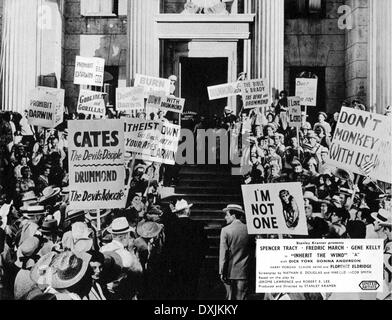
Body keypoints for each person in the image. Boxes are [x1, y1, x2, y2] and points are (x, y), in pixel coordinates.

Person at [165, 199, 208, 300]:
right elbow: (205, 246)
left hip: (176, 265)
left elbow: (167, 248)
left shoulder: (170, 227)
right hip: (193, 264)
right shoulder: (198, 226)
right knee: (192, 289)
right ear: (187, 211)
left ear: (177, 213)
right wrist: (199, 260)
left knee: (177, 290)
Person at [219, 204, 252, 300]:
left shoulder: (225, 230)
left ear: (233, 216)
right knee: (242, 297)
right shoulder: (249, 230)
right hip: (244, 271)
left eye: (227, 215)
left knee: (229, 297)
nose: (225, 217)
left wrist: (222, 271)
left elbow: (223, 253)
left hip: (229, 271)